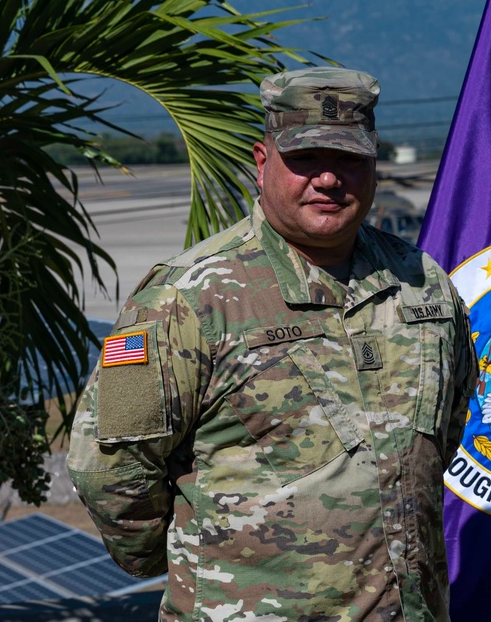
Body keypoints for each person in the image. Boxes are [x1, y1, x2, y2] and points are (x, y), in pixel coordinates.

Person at [67, 67, 477, 620]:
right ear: (263, 163)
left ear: (373, 164)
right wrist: (185, 561)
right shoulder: (188, 298)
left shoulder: (422, 283)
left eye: (349, 160)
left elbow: (445, 430)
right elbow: (110, 466)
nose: (329, 179)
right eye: (306, 159)